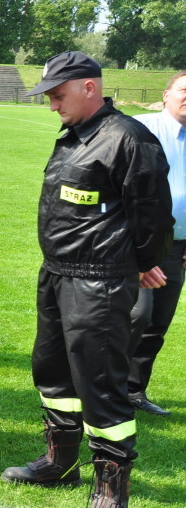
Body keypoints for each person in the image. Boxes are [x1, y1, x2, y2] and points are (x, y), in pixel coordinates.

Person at [2, 51, 173, 508]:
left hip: (99, 282)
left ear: (89, 87)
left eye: (58, 95)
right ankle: (59, 464)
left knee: (99, 384)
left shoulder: (128, 139)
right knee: (53, 374)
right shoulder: (76, 135)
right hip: (57, 274)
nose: (53, 105)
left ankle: (111, 488)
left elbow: (153, 216)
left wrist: (140, 262)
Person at [127, 70, 186, 417]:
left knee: (157, 324)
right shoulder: (140, 129)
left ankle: (134, 390)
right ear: (166, 95)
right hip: (138, 245)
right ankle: (104, 386)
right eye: (184, 90)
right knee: (137, 314)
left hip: (177, 247)